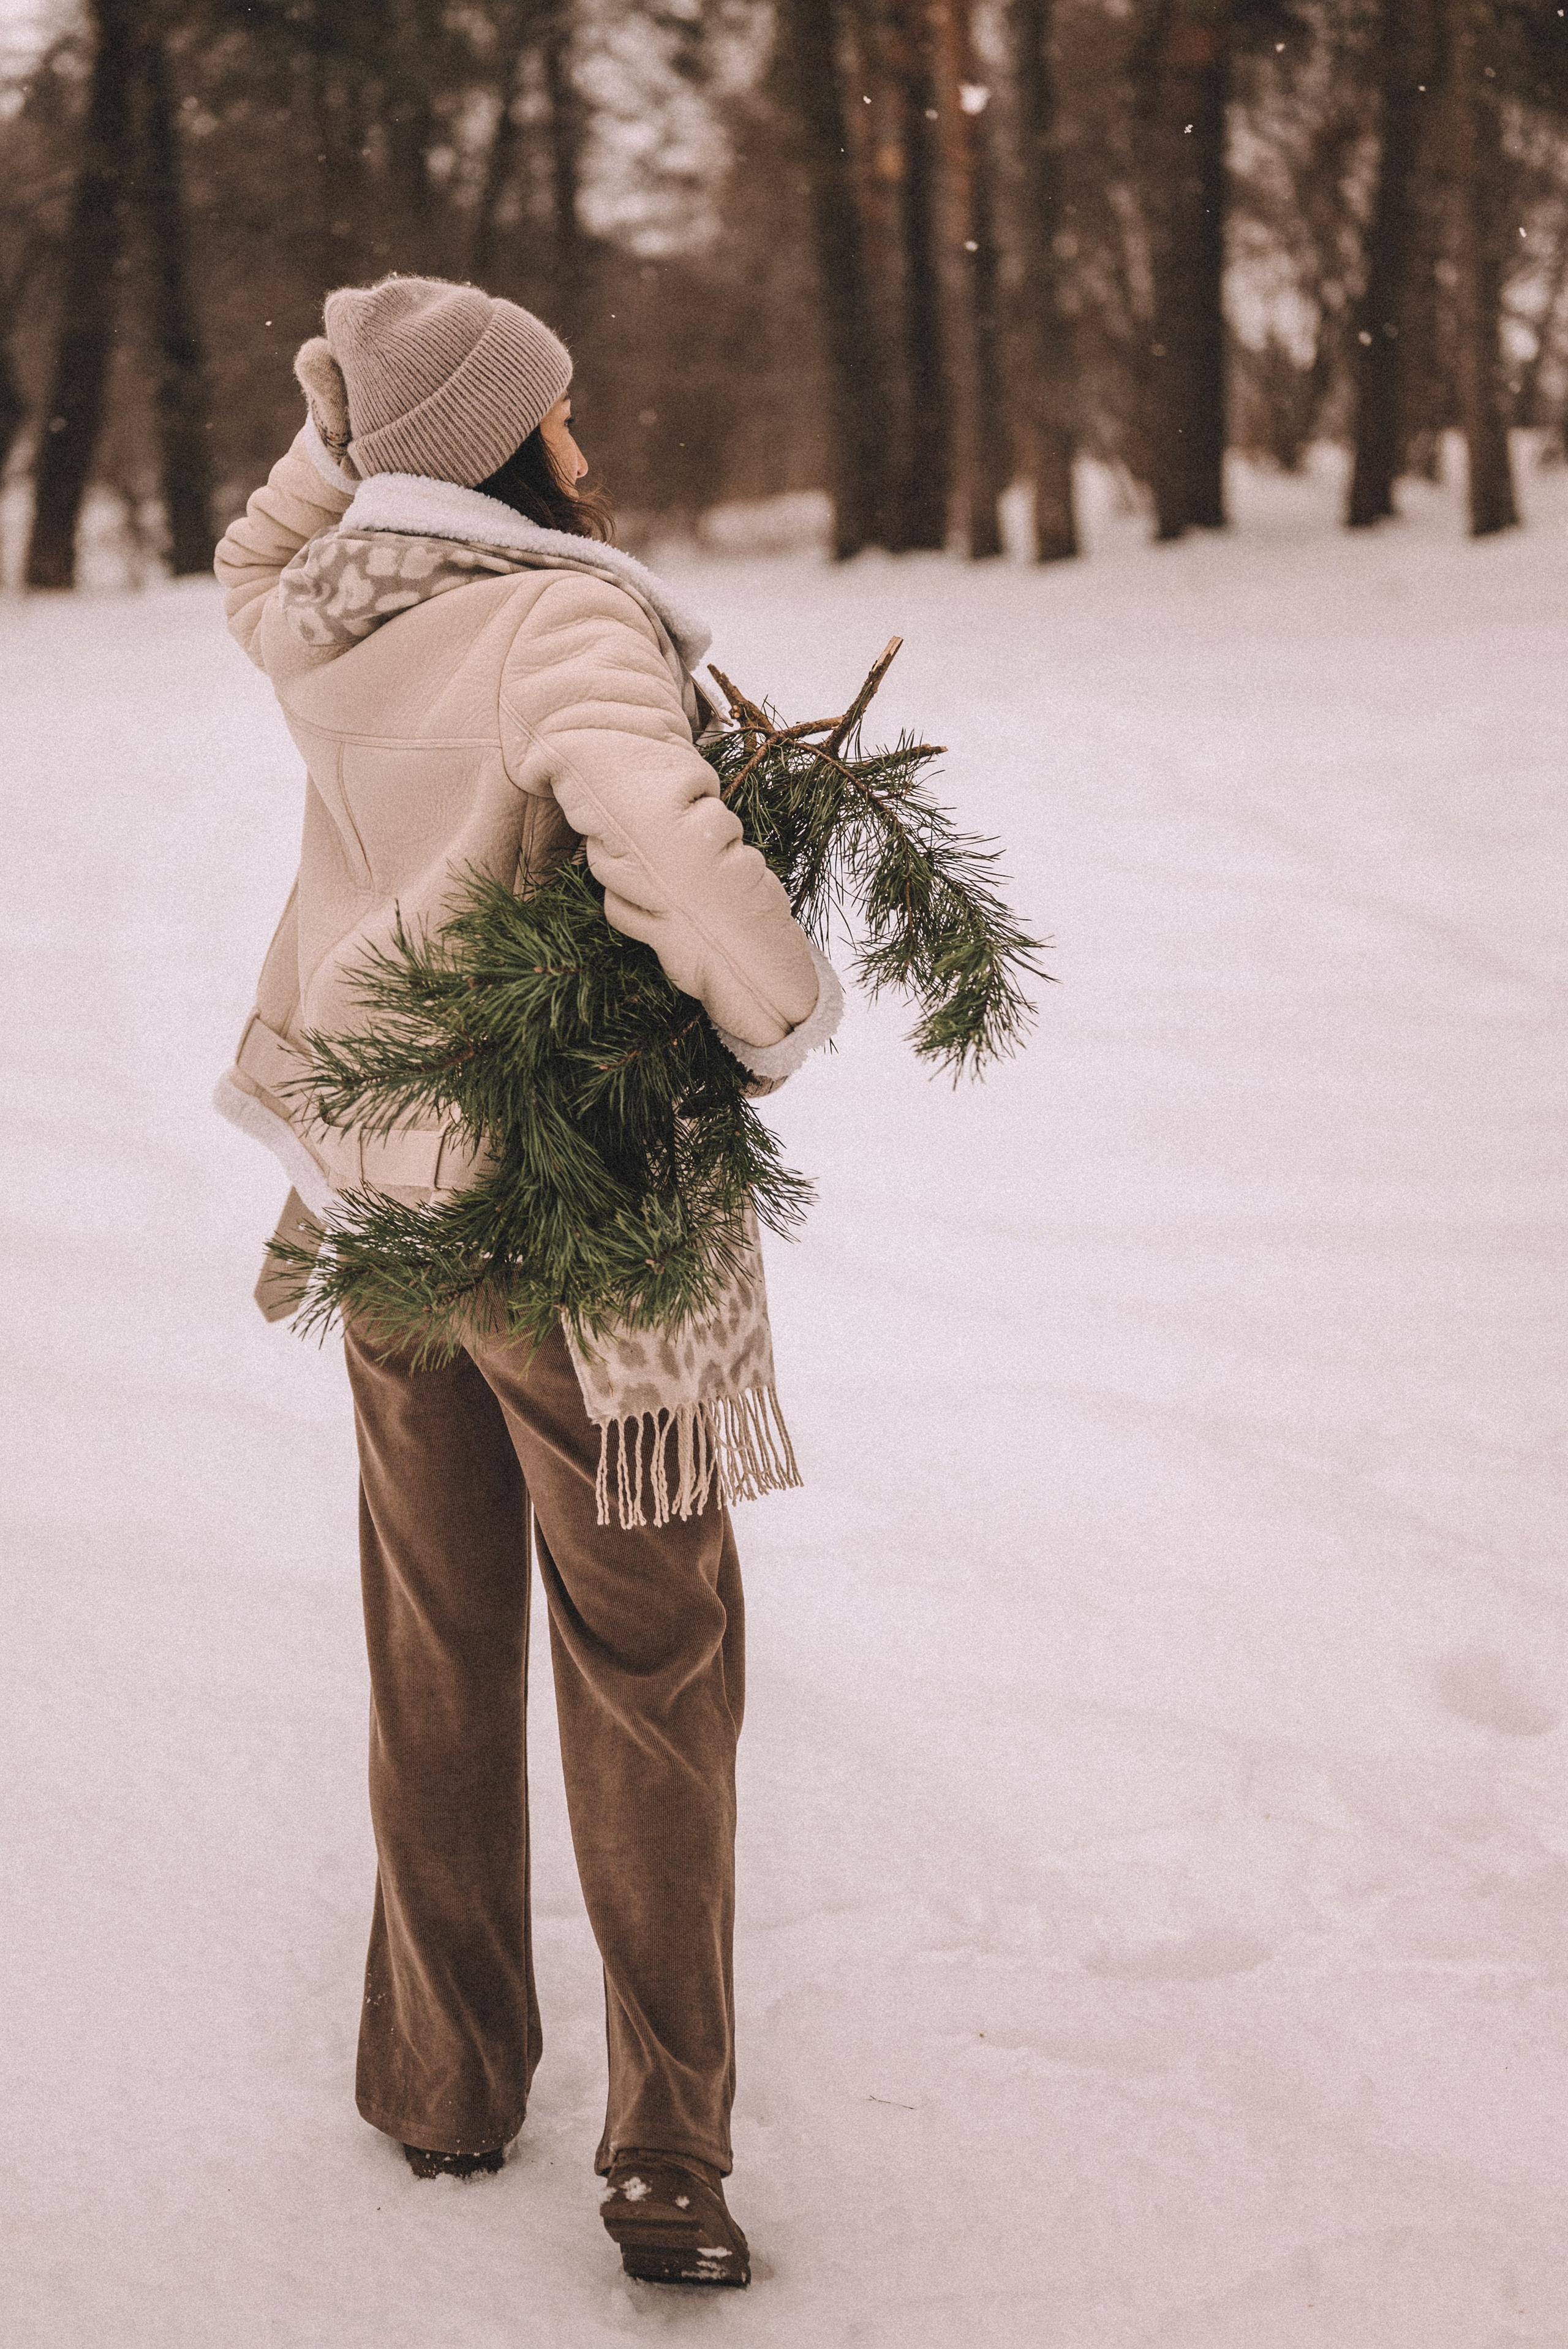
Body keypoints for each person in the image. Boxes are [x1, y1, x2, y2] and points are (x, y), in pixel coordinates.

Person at [211, 273, 840, 2288]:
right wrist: (778, 1008)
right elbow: (656, 834)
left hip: (383, 1213)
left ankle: (446, 2073)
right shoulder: (563, 615)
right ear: (504, 441)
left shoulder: (330, 621)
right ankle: (666, 2141)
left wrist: (350, 412)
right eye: (561, 416)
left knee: (437, 1639)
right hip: (562, 1226)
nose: (592, 445)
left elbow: (261, 541)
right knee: (653, 1665)